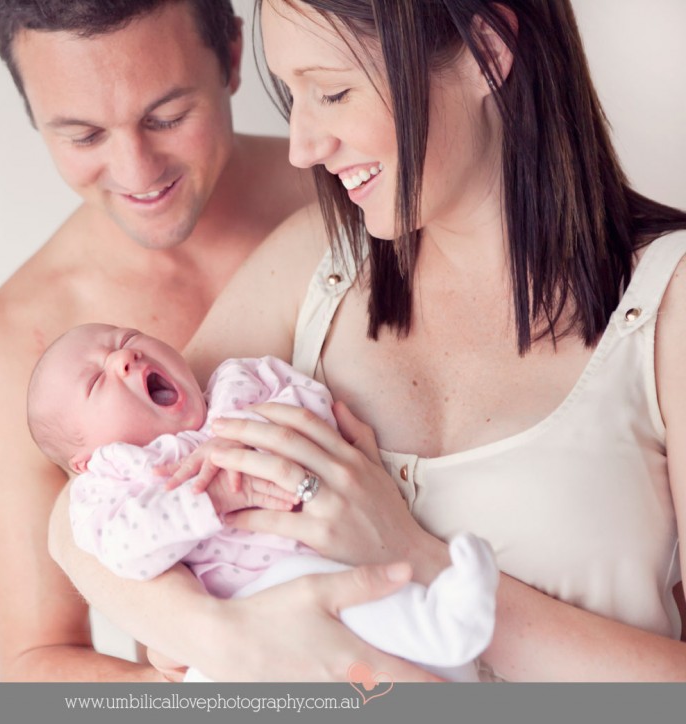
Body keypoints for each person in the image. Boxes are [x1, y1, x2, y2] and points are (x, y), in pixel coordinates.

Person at [50, 0, 686, 680]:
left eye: (331, 92)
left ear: (487, 50)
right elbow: (77, 517)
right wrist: (217, 635)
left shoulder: (669, 301)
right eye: (292, 96)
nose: (301, 147)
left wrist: (414, 557)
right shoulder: (316, 260)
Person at [0, 0, 319, 681]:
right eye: (84, 136)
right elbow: (34, 663)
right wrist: (202, 681)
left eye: (168, 117)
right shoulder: (3, 353)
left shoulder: (357, 201)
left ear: (233, 57)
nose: (138, 171)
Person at [28, 323, 499, 681]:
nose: (123, 357)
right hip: (245, 604)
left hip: (324, 562)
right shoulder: (112, 479)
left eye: (127, 339)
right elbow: (123, 546)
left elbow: (312, 408)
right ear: (85, 460)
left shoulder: (239, 385)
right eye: (96, 382)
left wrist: (251, 441)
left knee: (370, 596)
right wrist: (214, 495)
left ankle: (446, 626)